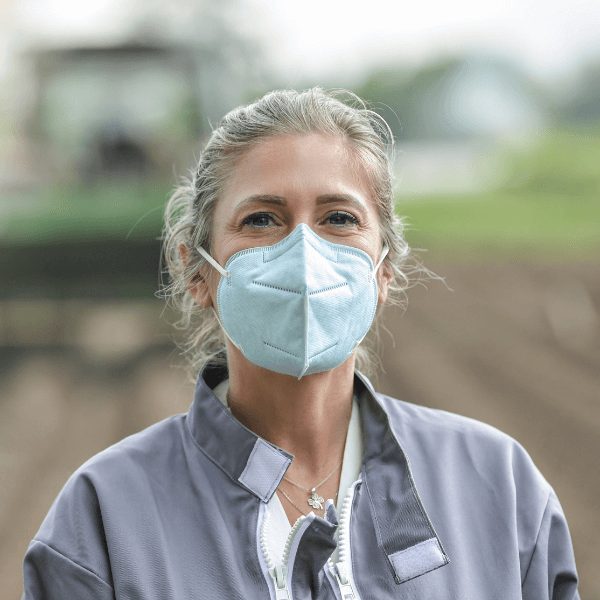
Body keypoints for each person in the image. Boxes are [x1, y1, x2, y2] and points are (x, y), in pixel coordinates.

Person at [22, 88, 579, 599]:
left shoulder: (499, 489)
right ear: (198, 272)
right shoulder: (105, 517)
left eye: (339, 218)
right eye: (262, 219)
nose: (305, 255)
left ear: (383, 270)